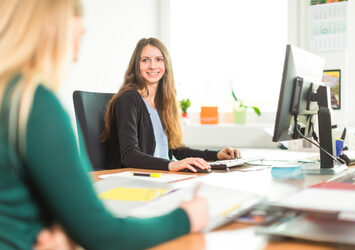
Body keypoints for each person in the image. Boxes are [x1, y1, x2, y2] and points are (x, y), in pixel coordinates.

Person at [0, 0, 209, 249]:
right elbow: (104, 235)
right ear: (51, 35)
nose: (76, 54)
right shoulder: (33, 104)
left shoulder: (13, 99)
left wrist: (60, 230)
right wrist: (186, 217)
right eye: (76, 37)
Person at [103, 38, 240, 172]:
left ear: (166, 65)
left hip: (163, 175)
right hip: (136, 178)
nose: (152, 66)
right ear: (136, 65)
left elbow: (176, 149)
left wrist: (216, 155)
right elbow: (130, 156)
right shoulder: (128, 99)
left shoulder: (163, 102)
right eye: (145, 60)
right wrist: (173, 165)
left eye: (159, 59)